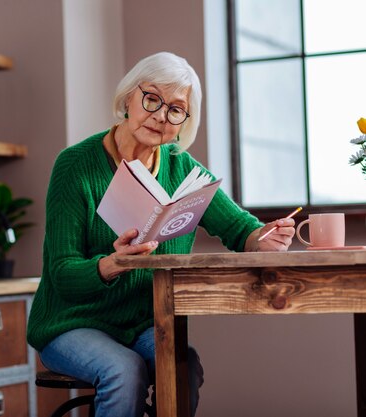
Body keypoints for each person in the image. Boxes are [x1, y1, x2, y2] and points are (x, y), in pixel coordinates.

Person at [27, 51, 295, 417]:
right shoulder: (75, 166)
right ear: (128, 99)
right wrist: (112, 264)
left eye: (175, 109)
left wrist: (264, 238)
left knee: (184, 365)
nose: (159, 116)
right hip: (72, 323)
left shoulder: (181, 169)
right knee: (123, 369)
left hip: (143, 324)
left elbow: (240, 230)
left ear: (184, 122)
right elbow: (62, 273)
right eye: (151, 98)